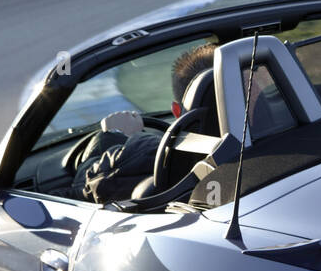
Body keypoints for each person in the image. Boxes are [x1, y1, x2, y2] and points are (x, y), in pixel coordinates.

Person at [72, 41, 219, 203]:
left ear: (176, 110)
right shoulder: (248, 144)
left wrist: (113, 136)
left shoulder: (146, 154)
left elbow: (85, 185)